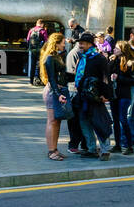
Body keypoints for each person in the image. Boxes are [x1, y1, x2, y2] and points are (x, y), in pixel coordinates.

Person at [73, 32, 113, 159]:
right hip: (82, 96)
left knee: (99, 123)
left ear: (90, 44)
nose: (80, 45)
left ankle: (105, 150)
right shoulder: (82, 57)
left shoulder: (99, 58)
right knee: (84, 122)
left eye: (82, 43)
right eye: (79, 43)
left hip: (95, 96)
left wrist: (106, 94)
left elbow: (106, 77)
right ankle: (91, 149)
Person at [39, 31, 70, 160]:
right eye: (63, 43)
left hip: (57, 91)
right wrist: (58, 94)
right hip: (53, 92)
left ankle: (55, 149)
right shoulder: (50, 58)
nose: (65, 45)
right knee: (52, 121)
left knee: (56, 121)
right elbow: (52, 79)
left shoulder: (57, 56)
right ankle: (51, 151)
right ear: (56, 43)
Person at [110, 42, 134, 154]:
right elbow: (107, 73)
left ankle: (128, 145)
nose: (114, 49)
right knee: (115, 120)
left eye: (117, 48)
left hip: (124, 94)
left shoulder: (130, 63)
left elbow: (133, 80)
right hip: (114, 94)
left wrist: (119, 77)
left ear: (122, 49)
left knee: (123, 119)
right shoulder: (113, 60)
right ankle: (117, 144)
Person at [64, 36, 86, 153]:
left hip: (77, 90)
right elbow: (73, 73)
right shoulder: (76, 53)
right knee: (75, 120)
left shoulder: (81, 53)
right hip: (74, 90)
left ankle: (81, 143)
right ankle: (73, 144)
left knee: (80, 118)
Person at [25, 20, 47, 85]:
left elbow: (28, 40)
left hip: (32, 50)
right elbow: (46, 41)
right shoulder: (43, 31)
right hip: (40, 51)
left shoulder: (31, 30)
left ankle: (31, 81)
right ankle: (40, 80)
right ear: (42, 24)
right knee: (40, 65)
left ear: (36, 24)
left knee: (33, 65)